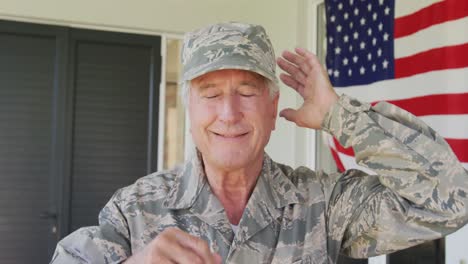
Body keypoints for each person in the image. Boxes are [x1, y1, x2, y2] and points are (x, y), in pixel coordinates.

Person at [50, 22, 468, 264]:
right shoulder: (134, 210)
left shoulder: (323, 204)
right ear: (191, 110)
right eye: (211, 94)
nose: (229, 113)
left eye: (247, 92)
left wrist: (340, 116)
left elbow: (451, 199)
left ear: (273, 107)